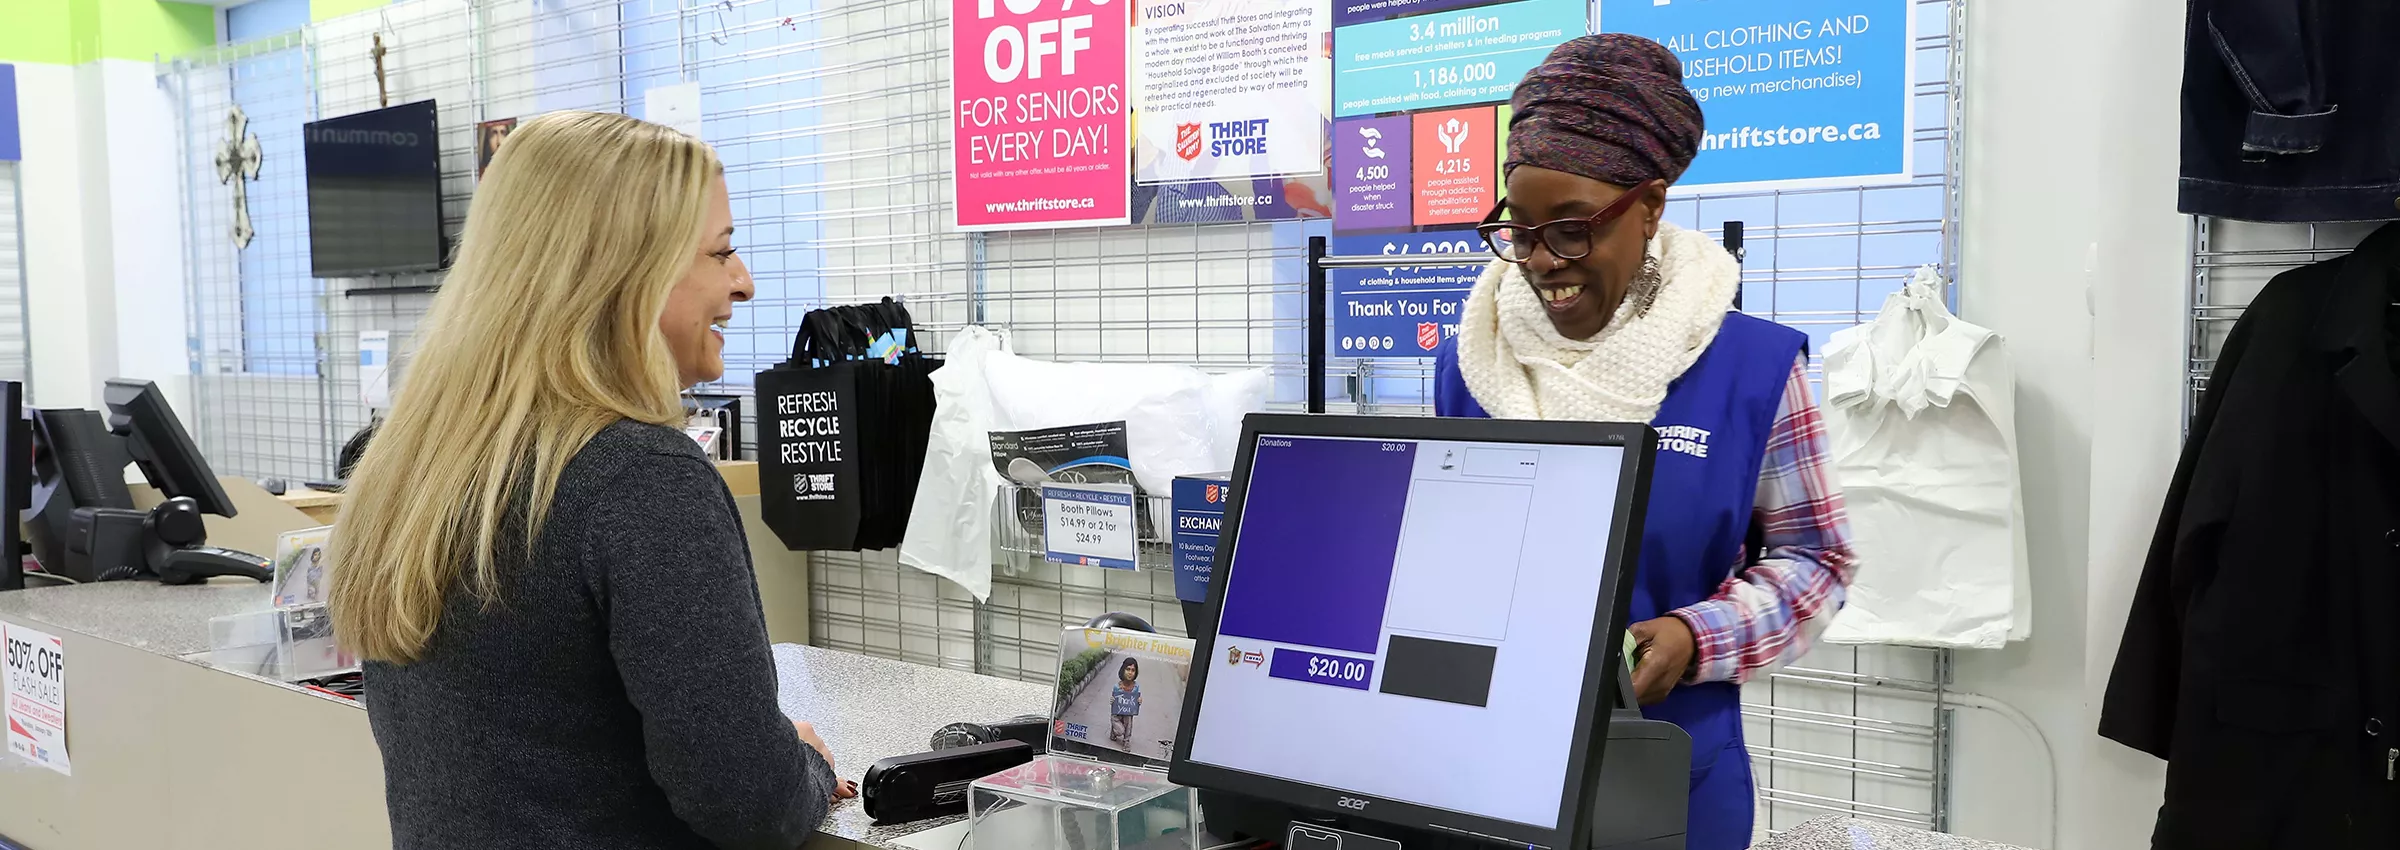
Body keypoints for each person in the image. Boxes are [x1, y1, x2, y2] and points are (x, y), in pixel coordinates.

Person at [327, 111, 852, 850]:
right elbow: (750, 805)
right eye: (720, 253)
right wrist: (801, 761)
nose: (744, 281)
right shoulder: (640, 480)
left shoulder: (407, 467)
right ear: (624, 273)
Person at [1432, 35, 1859, 850]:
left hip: (1668, 776)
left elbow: (1818, 561)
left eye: (1570, 229)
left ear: (1651, 206)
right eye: (1518, 231)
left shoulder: (1752, 370)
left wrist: (1699, 636)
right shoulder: (1473, 363)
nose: (1538, 263)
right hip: (1482, 766)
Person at [1109, 656, 1143, 745]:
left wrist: (1139, 701)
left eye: (1133, 670)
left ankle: (1126, 741)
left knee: (1129, 720)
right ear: (1123, 670)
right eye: (1128, 669)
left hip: (1127, 713)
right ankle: (1114, 730)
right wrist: (1112, 700)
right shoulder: (1117, 687)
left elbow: (1135, 702)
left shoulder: (1136, 687)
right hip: (1117, 715)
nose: (1130, 673)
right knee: (1120, 731)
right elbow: (1114, 702)